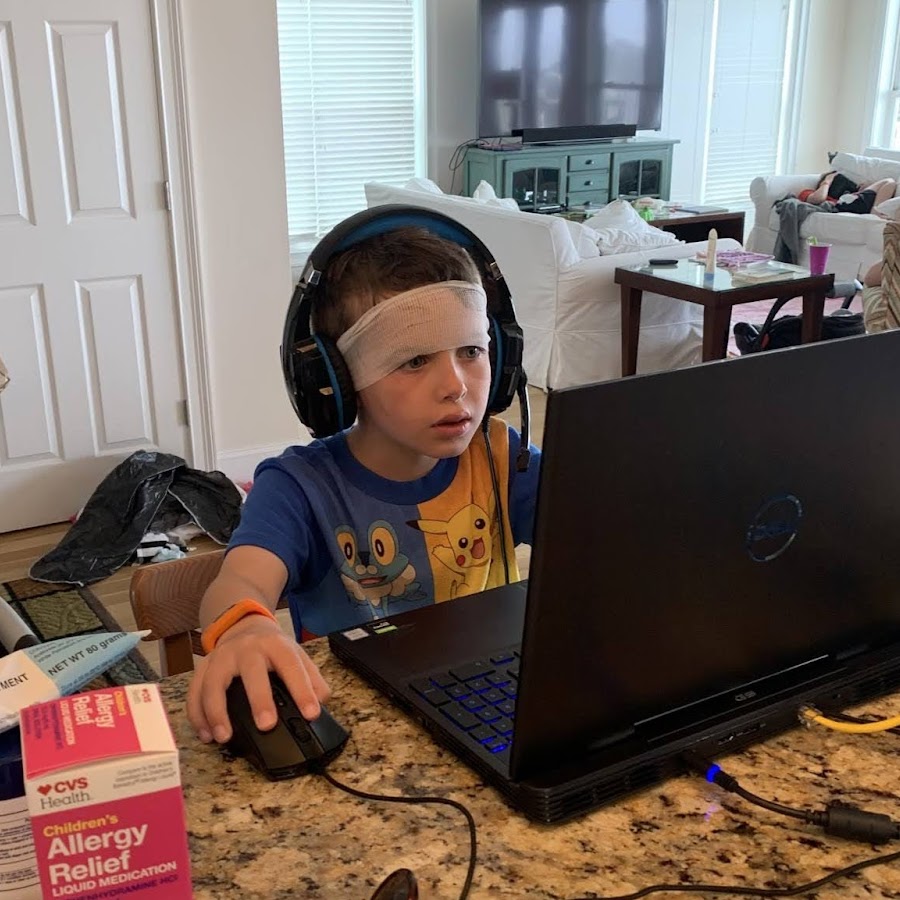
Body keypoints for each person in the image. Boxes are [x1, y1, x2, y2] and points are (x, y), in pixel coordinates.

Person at [187, 216, 541, 745]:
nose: (456, 385)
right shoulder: (299, 487)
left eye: (471, 351)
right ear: (337, 380)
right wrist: (244, 626)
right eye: (414, 360)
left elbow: (600, 529)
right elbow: (241, 581)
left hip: (484, 706)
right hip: (362, 728)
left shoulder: (500, 456)